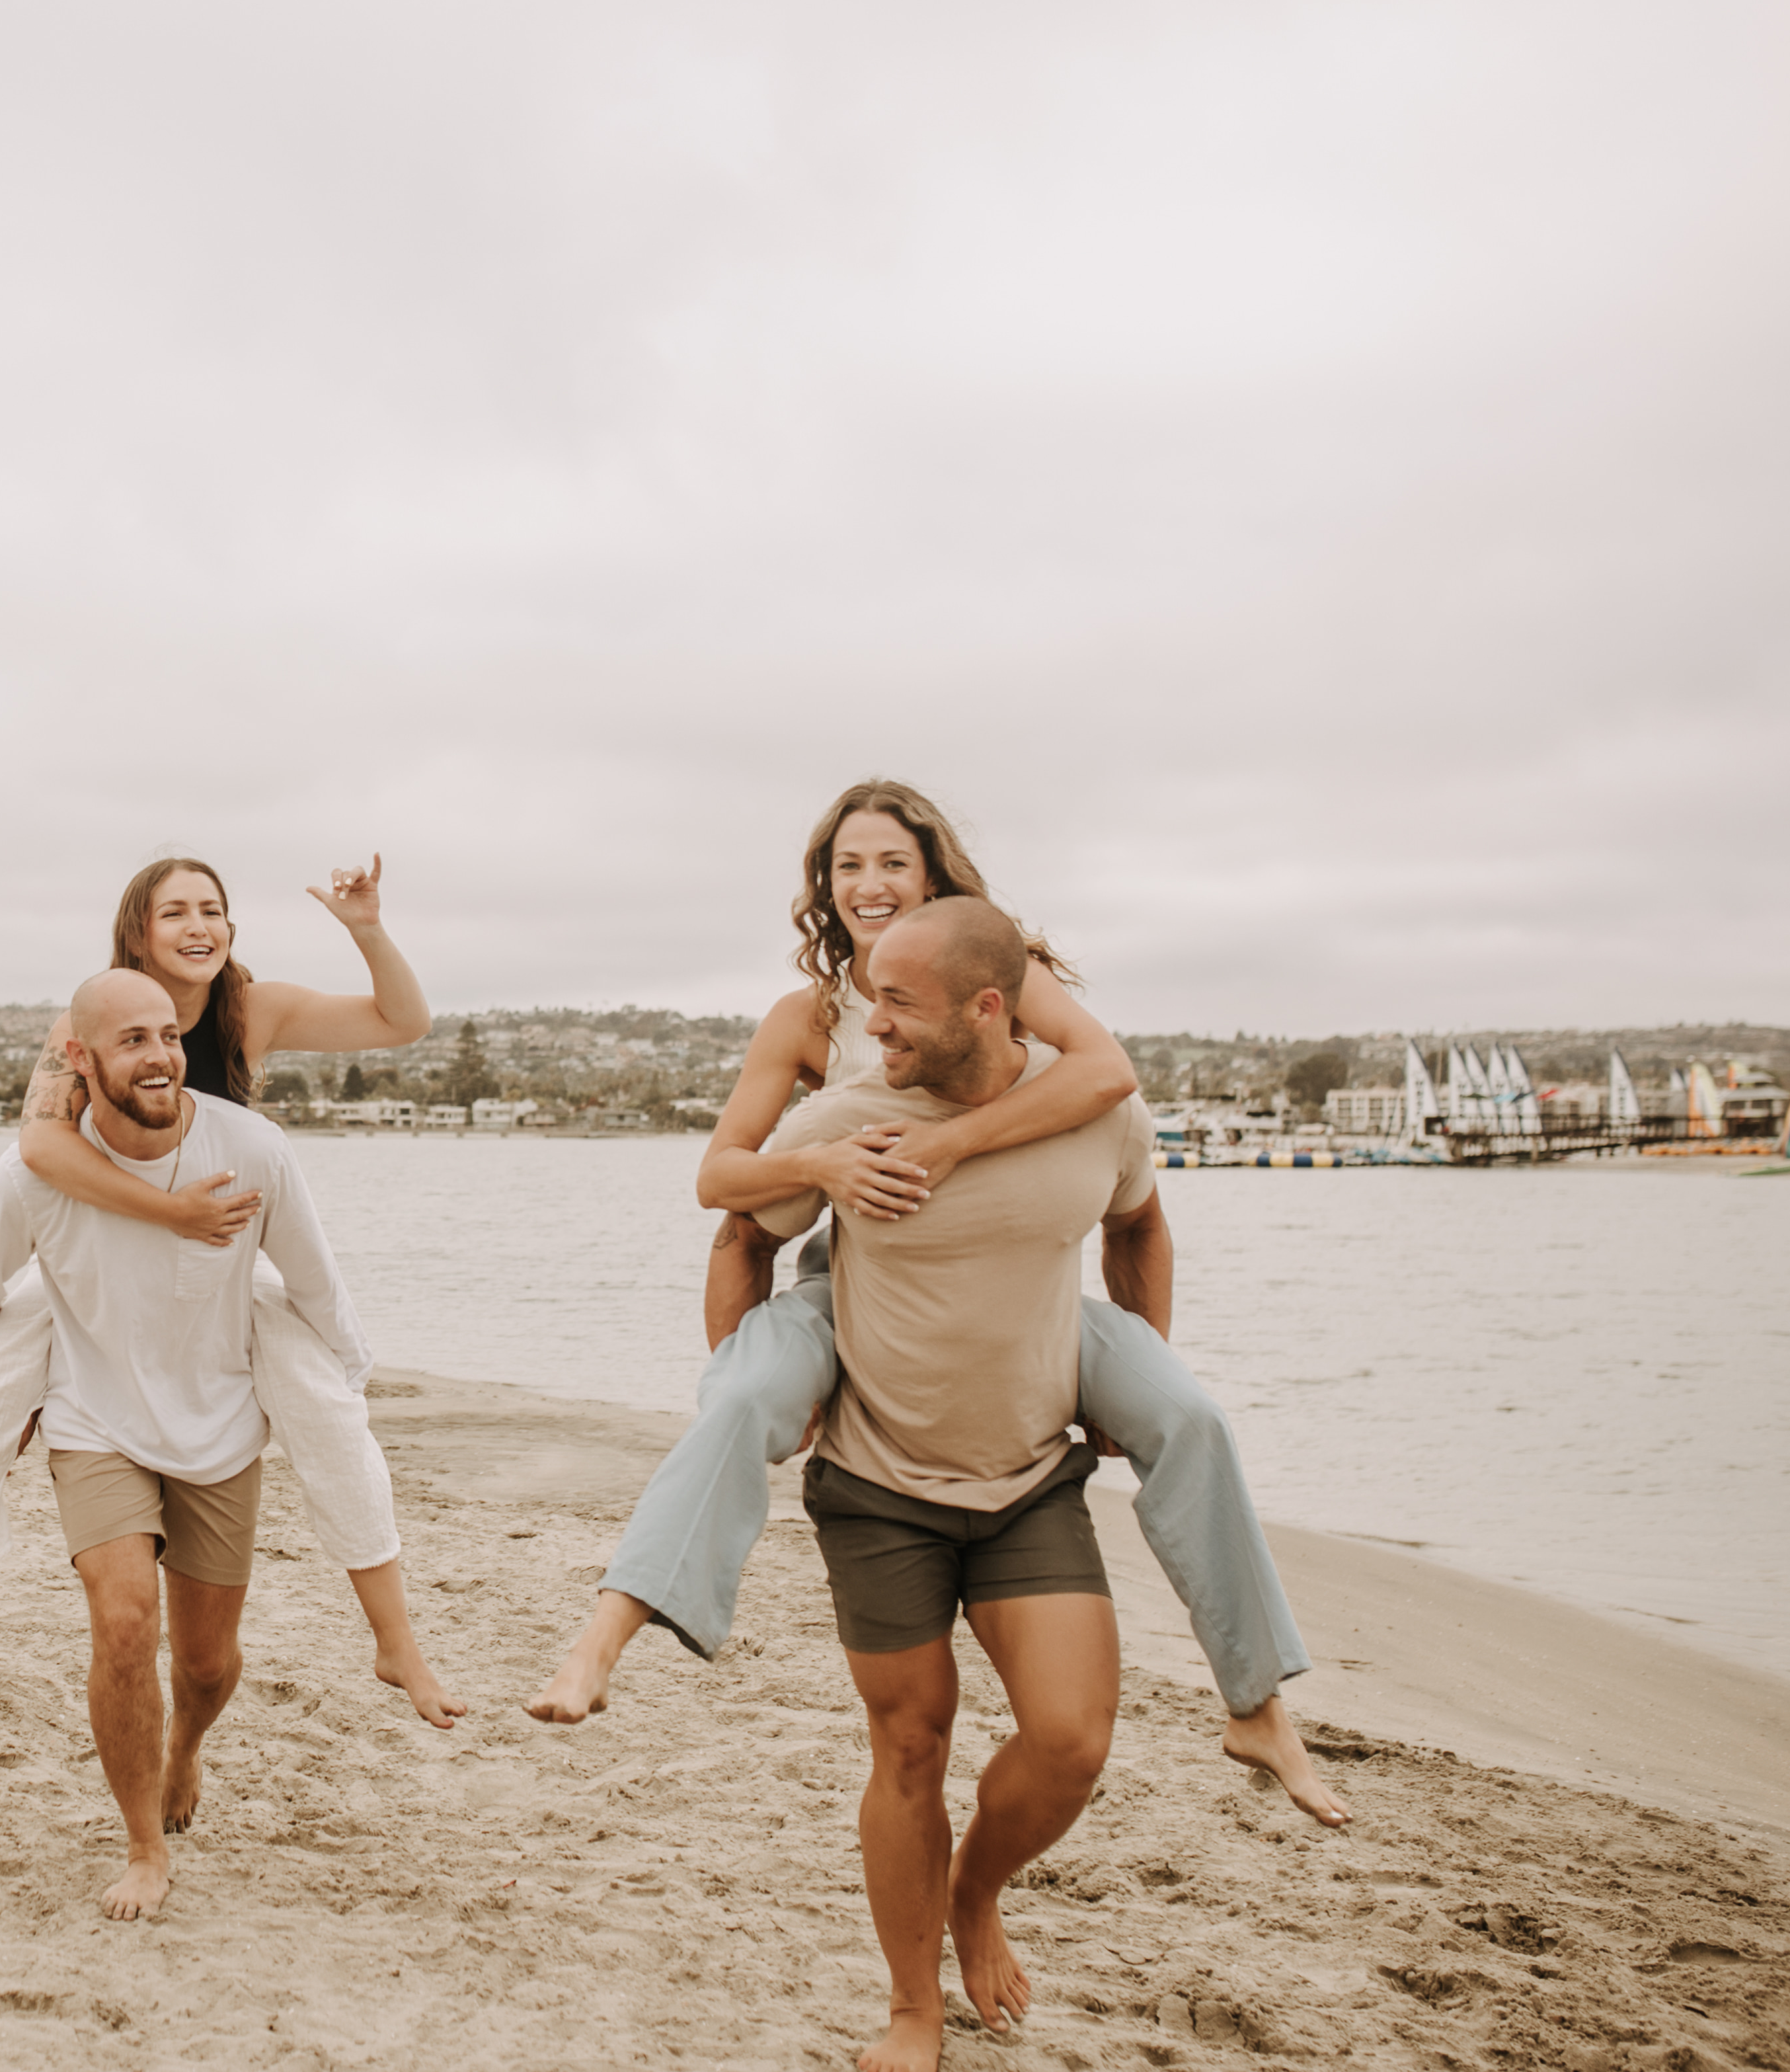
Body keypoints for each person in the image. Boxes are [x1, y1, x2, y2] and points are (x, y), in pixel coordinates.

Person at [529, 778, 1342, 1829]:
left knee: (1188, 1416)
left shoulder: (1005, 969)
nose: (867, 885)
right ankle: (610, 1632)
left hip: (1024, 1289)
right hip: (857, 1284)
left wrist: (956, 1148)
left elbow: (1105, 1077)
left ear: (935, 878)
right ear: (823, 888)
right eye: (845, 866)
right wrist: (823, 1176)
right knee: (743, 1400)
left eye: (891, 864)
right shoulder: (811, 1022)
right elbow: (728, 1191)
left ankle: (1258, 1702)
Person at [0, 855, 459, 1733]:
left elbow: (402, 1023)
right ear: (137, 933)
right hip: (100, 1270)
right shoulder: (94, 1016)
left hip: (215, 1274)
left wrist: (364, 928)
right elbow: (40, 1152)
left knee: (331, 1409)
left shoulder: (251, 1010)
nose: (199, 927)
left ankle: (395, 1640)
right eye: (176, 911)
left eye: (214, 910)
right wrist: (169, 1211)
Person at [791, 898, 1154, 2065]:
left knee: (1071, 1742)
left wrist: (1140, 1381)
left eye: (899, 1003)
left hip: (1031, 1478)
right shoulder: (852, 1115)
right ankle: (913, 2008)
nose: (872, 1024)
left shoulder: (1095, 1111)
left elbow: (1139, 1225)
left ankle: (973, 1891)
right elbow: (735, 1218)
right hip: (877, 1481)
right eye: (869, 998)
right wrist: (758, 1380)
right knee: (910, 1745)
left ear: (988, 1009)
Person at [0, 968, 367, 1919]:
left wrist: (339, 1408)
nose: (162, 1056)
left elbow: (316, 1287)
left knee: (207, 1665)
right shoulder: (32, 1172)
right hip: (93, 1419)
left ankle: (187, 1748)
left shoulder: (251, 1150)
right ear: (79, 1061)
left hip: (219, 1423)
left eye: (170, 1036)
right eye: (133, 1041)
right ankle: (140, 1848)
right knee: (125, 1621)